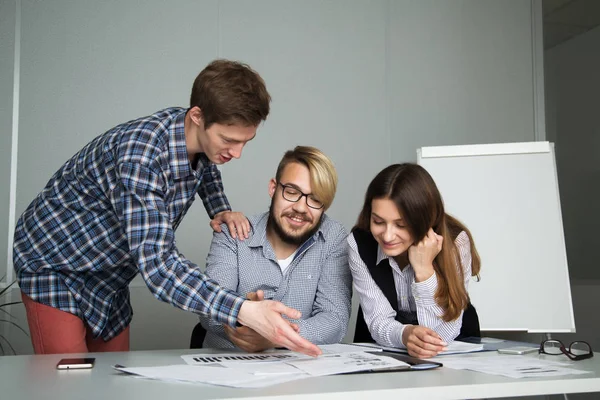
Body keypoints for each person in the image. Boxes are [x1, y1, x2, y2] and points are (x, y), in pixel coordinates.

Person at [13, 59, 320, 357]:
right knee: (70, 385)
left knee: (111, 380)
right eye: (228, 140)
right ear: (197, 116)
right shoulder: (140, 156)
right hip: (58, 267)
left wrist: (219, 208)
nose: (237, 153)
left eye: (245, 141)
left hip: (111, 276)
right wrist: (244, 310)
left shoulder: (192, 135)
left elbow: (206, 167)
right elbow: (159, 268)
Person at [196, 146, 352, 352]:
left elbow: (335, 320)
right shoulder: (232, 233)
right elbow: (209, 311)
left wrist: (276, 335)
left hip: (301, 375)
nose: (301, 208)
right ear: (273, 188)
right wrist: (245, 317)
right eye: (292, 192)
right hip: (228, 368)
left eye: (315, 199)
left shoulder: (334, 238)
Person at [349, 163, 481, 358]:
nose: (387, 236)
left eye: (401, 224)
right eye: (378, 221)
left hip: (454, 350)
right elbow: (378, 319)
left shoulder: (456, 242)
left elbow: (441, 336)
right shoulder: (359, 243)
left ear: (424, 220)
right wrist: (405, 334)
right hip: (385, 348)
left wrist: (424, 270)